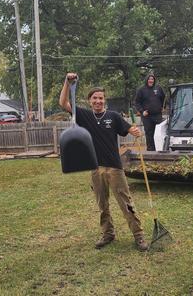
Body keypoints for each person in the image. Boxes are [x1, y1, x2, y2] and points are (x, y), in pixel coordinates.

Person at [59, 72, 148, 251]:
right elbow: (63, 103)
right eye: (95, 98)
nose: (98, 101)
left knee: (126, 204)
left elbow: (129, 128)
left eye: (101, 98)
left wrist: (135, 131)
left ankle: (139, 236)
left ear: (104, 100)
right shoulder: (84, 115)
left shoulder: (113, 116)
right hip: (95, 168)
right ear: (89, 101)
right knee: (103, 205)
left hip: (115, 168)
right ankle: (108, 234)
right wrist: (67, 83)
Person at [134, 73, 166, 152]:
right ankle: (150, 151)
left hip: (158, 115)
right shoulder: (141, 90)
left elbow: (164, 98)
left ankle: (160, 149)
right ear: (147, 80)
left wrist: (163, 107)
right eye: (149, 79)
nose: (151, 80)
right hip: (147, 116)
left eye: (152, 79)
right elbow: (136, 102)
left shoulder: (158, 88)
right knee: (149, 133)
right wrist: (142, 111)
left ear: (154, 80)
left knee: (159, 133)